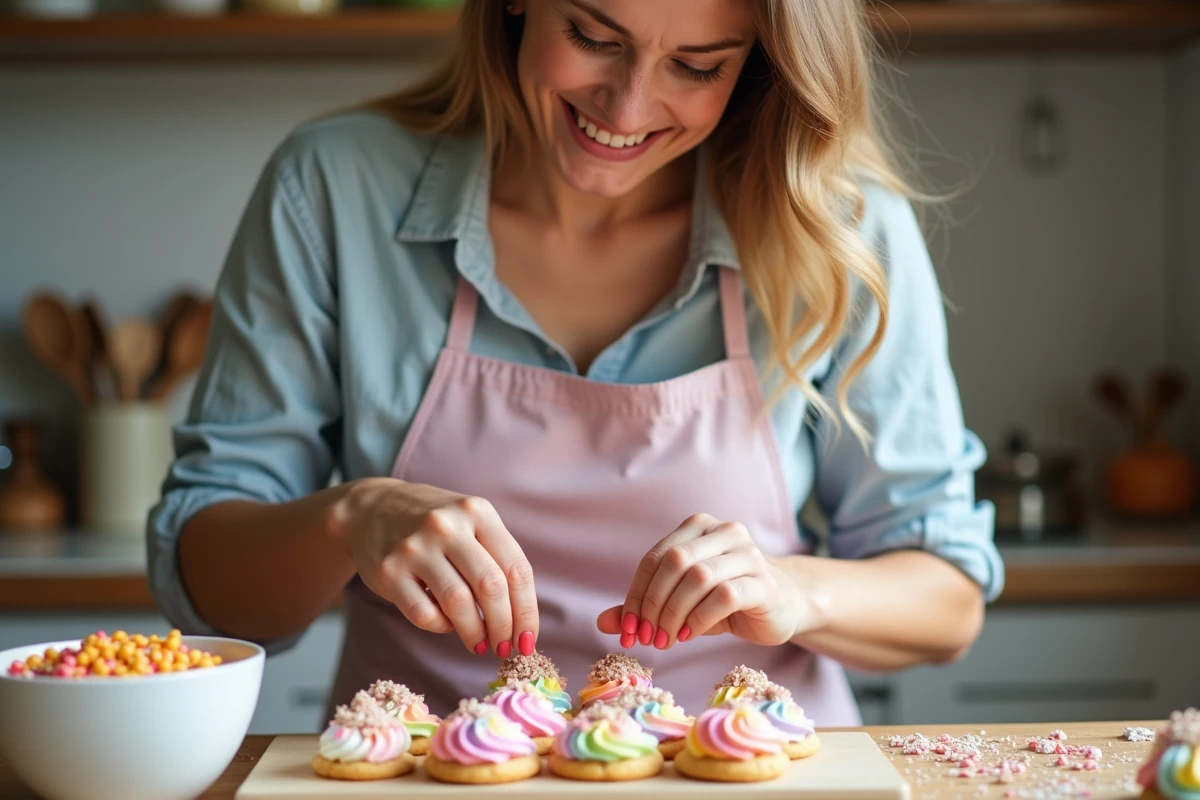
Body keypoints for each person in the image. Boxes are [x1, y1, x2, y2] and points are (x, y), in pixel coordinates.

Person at [147, 0, 1004, 725]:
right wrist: (350, 517)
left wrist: (797, 591)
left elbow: (948, 601)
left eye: (698, 66)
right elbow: (207, 589)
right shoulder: (333, 187)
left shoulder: (840, 224)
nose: (627, 110)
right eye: (595, 39)